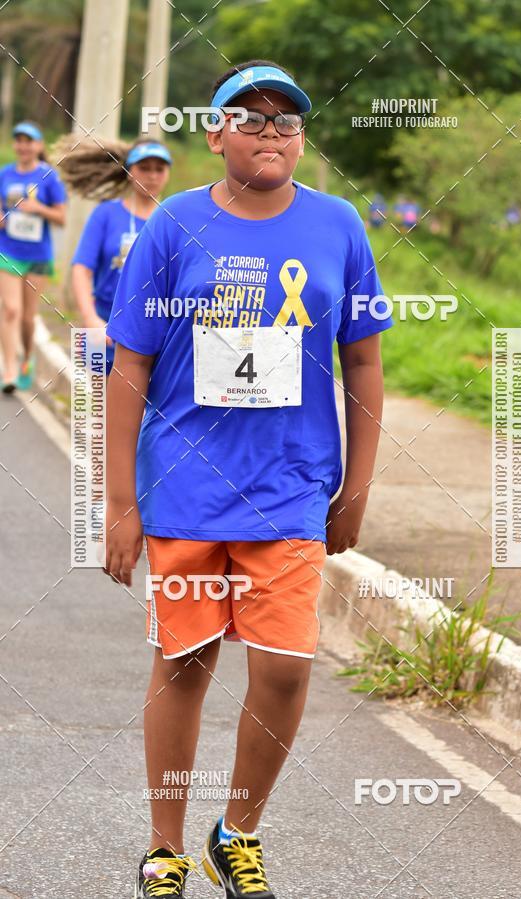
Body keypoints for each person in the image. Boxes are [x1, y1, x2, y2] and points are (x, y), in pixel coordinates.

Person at [104, 60, 394, 899]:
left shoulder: (339, 225)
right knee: (184, 660)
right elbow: (128, 366)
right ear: (215, 132)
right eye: (251, 118)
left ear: (303, 138)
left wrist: (357, 486)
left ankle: (237, 832)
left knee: (286, 668)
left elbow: (365, 360)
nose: (271, 133)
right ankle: (166, 847)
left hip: (293, 487)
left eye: (287, 121)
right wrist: (120, 501)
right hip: (187, 487)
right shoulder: (173, 226)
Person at [58, 138, 172, 376]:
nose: (152, 175)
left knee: (137, 411)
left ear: (167, 173)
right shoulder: (106, 213)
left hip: (149, 329)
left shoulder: (172, 219)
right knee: (89, 409)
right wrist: (90, 320)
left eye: (159, 169)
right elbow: (82, 268)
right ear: (130, 172)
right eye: (144, 168)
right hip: (102, 323)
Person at [0, 121, 66, 394]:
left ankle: (28, 356)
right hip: (8, 250)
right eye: (19, 140)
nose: (24, 146)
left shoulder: (48, 177)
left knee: (28, 317)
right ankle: (10, 370)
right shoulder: (5, 174)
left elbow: (61, 218)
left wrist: (37, 208)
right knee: (10, 309)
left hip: (38, 255)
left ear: (38, 146)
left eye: (29, 141)